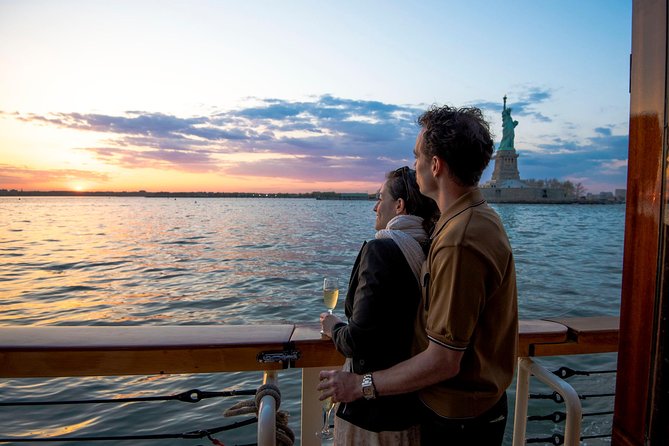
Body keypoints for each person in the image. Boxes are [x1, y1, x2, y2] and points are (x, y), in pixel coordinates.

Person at [318, 105, 518, 446]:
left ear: (436, 165)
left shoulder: (460, 239)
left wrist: (360, 385)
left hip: (459, 421)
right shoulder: (475, 219)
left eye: (417, 157)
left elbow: (443, 361)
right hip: (475, 410)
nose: (415, 166)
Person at [320, 166, 439, 445]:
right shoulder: (430, 250)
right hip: (413, 407)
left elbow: (358, 340)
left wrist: (333, 326)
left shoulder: (381, 251)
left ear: (399, 206)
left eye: (380, 197)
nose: (375, 207)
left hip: (372, 415)